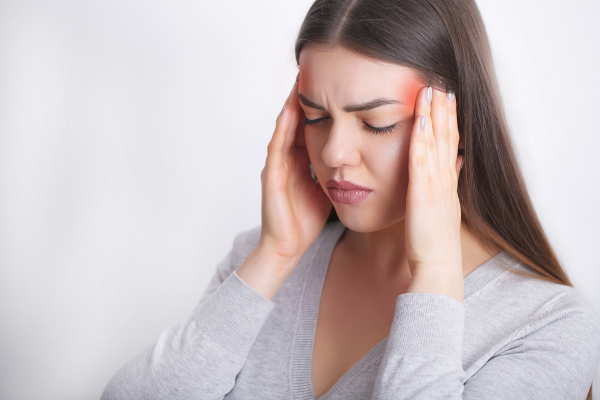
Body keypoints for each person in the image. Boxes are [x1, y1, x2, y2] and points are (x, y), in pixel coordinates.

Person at [101, 0, 600, 398]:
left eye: (375, 123)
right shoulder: (256, 262)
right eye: (315, 116)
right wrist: (273, 257)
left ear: (460, 128)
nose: (334, 153)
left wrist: (435, 275)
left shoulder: (547, 328)